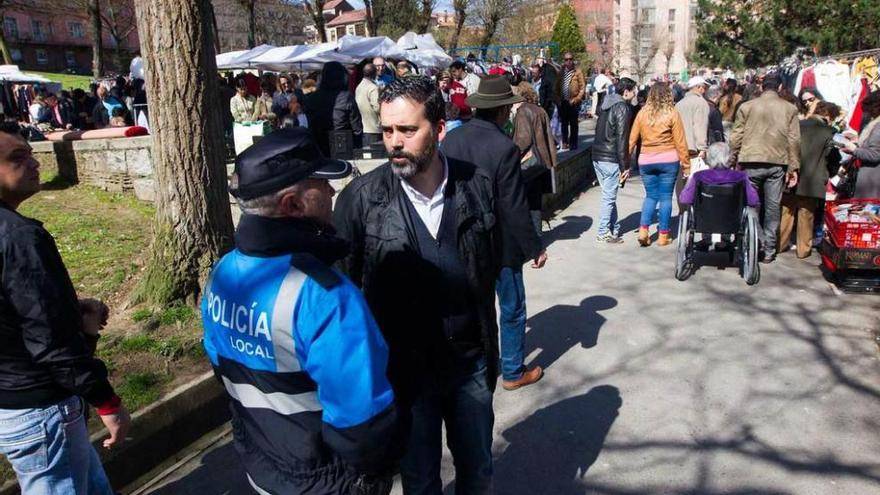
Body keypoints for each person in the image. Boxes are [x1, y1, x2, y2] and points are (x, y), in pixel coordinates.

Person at [204, 128, 404, 495]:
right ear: (293, 204)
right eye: (321, 184)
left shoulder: (223, 273)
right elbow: (362, 422)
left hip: (263, 463)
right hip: (327, 478)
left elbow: (222, 366)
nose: (331, 192)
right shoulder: (326, 296)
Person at [334, 76, 502, 494]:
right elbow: (345, 291)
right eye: (388, 130)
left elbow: (488, 264)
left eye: (408, 130)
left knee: (478, 471)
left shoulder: (477, 185)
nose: (394, 142)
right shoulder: (361, 200)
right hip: (405, 376)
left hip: (469, 364)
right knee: (420, 479)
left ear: (439, 129)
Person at [0, 127, 130, 493]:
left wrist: (69, 310)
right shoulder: (19, 237)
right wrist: (108, 403)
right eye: (17, 158)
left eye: (30, 153)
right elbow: (51, 343)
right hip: (40, 407)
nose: (34, 163)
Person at [442, 75, 547, 395]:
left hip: (461, 239)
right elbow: (513, 206)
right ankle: (513, 370)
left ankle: (474, 366)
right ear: (502, 111)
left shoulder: (451, 141)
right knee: (512, 307)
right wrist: (535, 247)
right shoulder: (504, 147)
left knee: (472, 306)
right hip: (500, 243)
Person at [729, 75, 801, 263]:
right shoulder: (790, 109)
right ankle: (769, 249)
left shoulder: (747, 107)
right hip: (777, 162)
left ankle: (754, 240)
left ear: (761, 87)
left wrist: (732, 158)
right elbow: (794, 140)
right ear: (779, 87)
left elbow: (736, 136)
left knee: (751, 204)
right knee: (772, 207)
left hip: (751, 160)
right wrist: (793, 167)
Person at [628, 82, 690, 247]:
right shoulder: (672, 113)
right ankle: (663, 235)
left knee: (650, 196)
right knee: (665, 197)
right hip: (669, 160)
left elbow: (632, 140)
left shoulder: (642, 113)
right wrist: (686, 165)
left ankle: (643, 230)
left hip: (646, 160)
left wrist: (625, 163)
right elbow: (680, 142)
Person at [779, 101, 841, 258]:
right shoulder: (829, 132)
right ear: (828, 116)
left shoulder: (796, 125)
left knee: (786, 212)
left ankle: (779, 244)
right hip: (813, 180)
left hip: (791, 175)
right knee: (806, 215)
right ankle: (803, 250)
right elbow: (834, 158)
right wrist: (829, 174)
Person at [590, 77, 638, 243]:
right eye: (633, 92)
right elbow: (622, 138)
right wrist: (625, 164)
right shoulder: (622, 107)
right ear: (626, 92)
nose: (634, 95)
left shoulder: (606, 104)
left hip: (598, 155)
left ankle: (612, 227)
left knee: (608, 194)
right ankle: (603, 232)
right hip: (610, 158)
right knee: (609, 197)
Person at [511, 82, 557, 237]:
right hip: (541, 163)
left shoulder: (523, 111)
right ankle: (536, 236)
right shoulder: (540, 110)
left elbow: (523, 140)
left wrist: (511, 155)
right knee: (535, 203)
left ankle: (528, 239)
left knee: (523, 202)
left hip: (528, 164)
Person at [303, 61, 363, 156]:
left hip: (319, 145)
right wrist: (358, 146)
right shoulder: (346, 97)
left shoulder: (312, 98)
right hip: (342, 144)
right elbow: (357, 128)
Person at [679, 142, 760, 208]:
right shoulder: (740, 176)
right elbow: (753, 201)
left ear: (709, 157)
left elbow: (685, 199)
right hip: (733, 223)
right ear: (728, 158)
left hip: (703, 222)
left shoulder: (698, 176)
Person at [675, 76, 710, 206]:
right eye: (704, 87)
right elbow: (700, 126)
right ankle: (694, 211)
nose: (704, 90)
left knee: (682, 181)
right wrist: (702, 147)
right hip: (693, 149)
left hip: (679, 148)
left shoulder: (679, 104)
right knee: (696, 181)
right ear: (698, 87)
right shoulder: (701, 103)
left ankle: (682, 209)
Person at [840, 90, 880, 198]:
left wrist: (854, 149)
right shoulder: (875, 123)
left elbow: (875, 155)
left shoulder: (878, 126)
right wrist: (857, 142)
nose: (869, 112)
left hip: (872, 183)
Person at [554, 51, 585, 151]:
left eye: (570, 59)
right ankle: (565, 142)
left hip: (573, 102)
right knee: (563, 123)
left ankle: (573, 143)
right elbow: (556, 87)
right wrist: (557, 99)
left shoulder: (578, 72)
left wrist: (577, 99)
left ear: (573, 60)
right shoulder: (561, 72)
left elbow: (582, 87)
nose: (568, 61)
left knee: (574, 124)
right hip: (563, 102)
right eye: (566, 59)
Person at [356, 63, 382, 148]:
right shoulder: (373, 87)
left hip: (363, 127)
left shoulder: (359, 86)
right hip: (373, 127)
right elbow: (377, 108)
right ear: (375, 73)